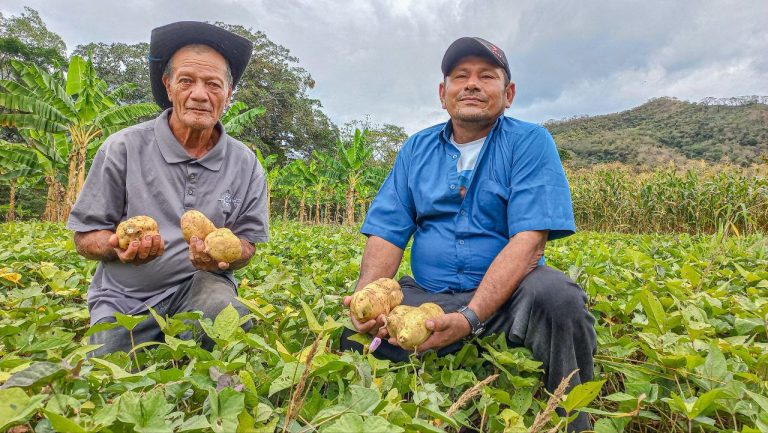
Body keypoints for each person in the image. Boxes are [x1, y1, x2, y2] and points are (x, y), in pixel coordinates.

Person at [341, 37, 596, 431]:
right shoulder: (416, 149)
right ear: (443, 94)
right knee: (352, 338)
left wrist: (469, 317)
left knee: (559, 299)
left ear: (508, 94)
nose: (472, 84)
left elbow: (529, 241)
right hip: (430, 294)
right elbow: (388, 232)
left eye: (486, 76)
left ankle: (573, 417)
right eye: (461, 76)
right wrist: (369, 297)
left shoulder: (530, 142)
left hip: (509, 297)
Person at [67, 21, 268, 357]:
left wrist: (224, 256)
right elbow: (85, 237)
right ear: (168, 85)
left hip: (202, 287)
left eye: (213, 84)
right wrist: (117, 247)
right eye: (186, 81)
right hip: (124, 298)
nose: (200, 95)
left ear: (228, 94)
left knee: (226, 327)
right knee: (103, 370)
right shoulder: (123, 148)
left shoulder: (245, 163)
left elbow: (248, 244)